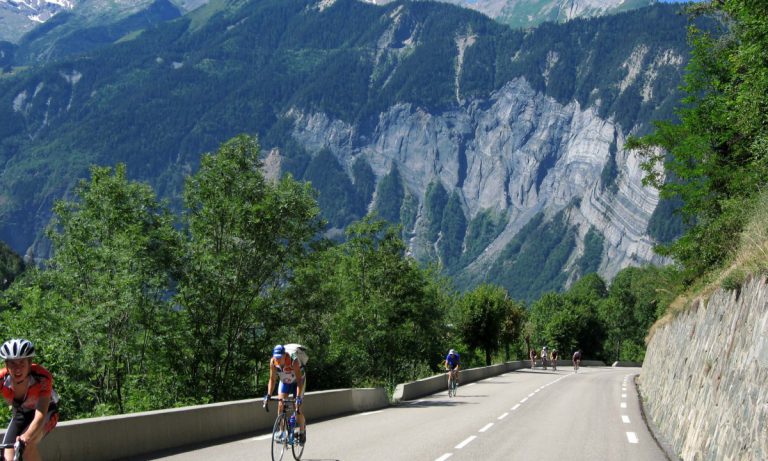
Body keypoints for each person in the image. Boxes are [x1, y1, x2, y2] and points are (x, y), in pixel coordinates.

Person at [0, 338, 59, 461]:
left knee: (27, 444)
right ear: (6, 364)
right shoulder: (1, 379)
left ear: (30, 363)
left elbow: (41, 414)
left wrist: (26, 437)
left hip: (46, 412)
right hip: (21, 413)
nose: (17, 369)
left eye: (22, 363)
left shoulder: (42, 377)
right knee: (7, 456)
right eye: (12, 363)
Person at [263, 344, 306, 444]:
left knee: (297, 408)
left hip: (298, 381)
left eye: (279, 357)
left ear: (285, 355)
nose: (277, 359)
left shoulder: (293, 360)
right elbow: (272, 379)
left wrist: (298, 397)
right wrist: (268, 395)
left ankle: (302, 431)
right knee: (280, 404)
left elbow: (299, 381)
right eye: (275, 357)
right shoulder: (273, 362)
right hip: (285, 381)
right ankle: (282, 431)